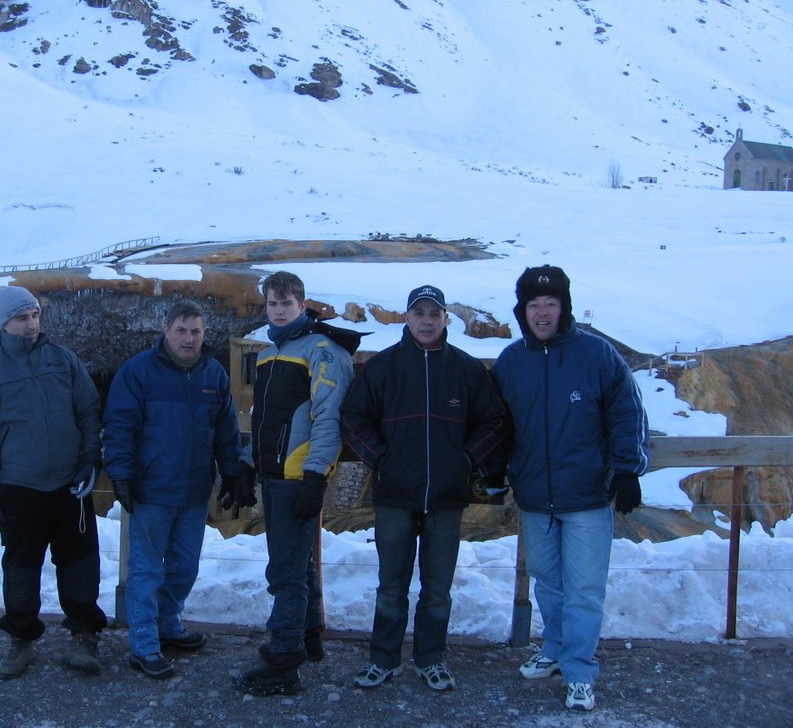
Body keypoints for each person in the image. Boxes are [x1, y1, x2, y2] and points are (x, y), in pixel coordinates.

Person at [492, 265, 649, 712]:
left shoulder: (596, 355)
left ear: (564, 307)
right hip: (535, 496)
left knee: (583, 588)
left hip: (586, 496)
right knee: (547, 580)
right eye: (533, 304)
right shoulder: (511, 361)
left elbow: (627, 412)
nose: (542, 312)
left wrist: (627, 469)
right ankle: (556, 649)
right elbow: (497, 424)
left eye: (550, 303)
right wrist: (493, 468)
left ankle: (579, 670)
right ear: (522, 310)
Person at [341, 284, 508, 692]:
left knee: (437, 589)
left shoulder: (467, 370)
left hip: (447, 497)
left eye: (435, 313)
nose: (427, 321)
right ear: (408, 318)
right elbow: (352, 417)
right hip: (395, 494)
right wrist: (381, 457)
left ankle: (431, 658)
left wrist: (465, 460)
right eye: (420, 313)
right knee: (391, 586)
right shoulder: (383, 367)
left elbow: (495, 421)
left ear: (445, 319)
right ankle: (383, 658)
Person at [0, 285, 107, 680]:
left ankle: (84, 637)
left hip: (69, 485)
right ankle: (21, 640)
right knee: (21, 568)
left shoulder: (62, 359)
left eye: (35, 315)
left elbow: (89, 412)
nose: (31, 324)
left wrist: (91, 461)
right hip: (18, 487)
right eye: (22, 318)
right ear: (4, 323)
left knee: (80, 565)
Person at [231, 271, 356, 698]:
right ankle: (309, 638)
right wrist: (249, 463)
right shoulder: (268, 355)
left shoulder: (323, 351)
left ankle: (284, 663)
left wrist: (315, 477)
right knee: (298, 564)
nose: (279, 310)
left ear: (303, 305)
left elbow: (329, 418)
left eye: (287, 303)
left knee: (284, 572)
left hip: (297, 477)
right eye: (272, 304)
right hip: (274, 475)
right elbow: (265, 421)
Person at [102, 300, 241, 680]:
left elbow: (226, 431)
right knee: (146, 571)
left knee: (184, 568)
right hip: (151, 490)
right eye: (181, 330)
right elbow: (119, 427)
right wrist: (121, 475)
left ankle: (168, 623)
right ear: (166, 331)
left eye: (196, 331)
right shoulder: (138, 372)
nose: (189, 338)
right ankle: (144, 644)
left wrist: (231, 473)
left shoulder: (213, 374)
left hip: (195, 490)